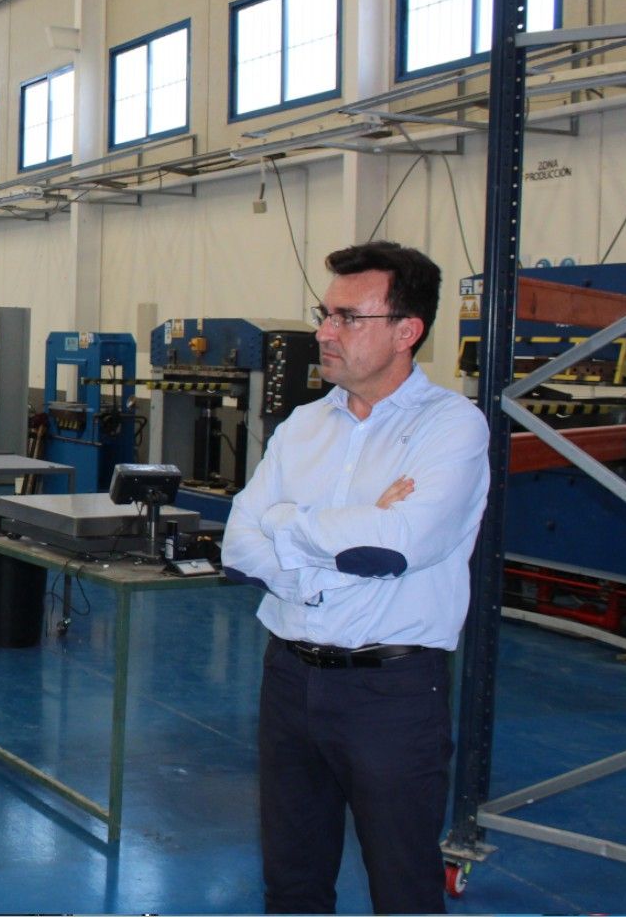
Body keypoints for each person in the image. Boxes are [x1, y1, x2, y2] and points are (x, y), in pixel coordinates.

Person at [222, 241, 489, 915]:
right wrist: (336, 547)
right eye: (325, 314)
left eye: (347, 317)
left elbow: (397, 546)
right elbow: (238, 545)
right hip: (289, 680)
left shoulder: (451, 428)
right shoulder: (302, 425)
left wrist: (288, 524)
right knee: (291, 882)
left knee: (402, 886)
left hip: (390, 692)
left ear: (406, 331)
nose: (324, 332)